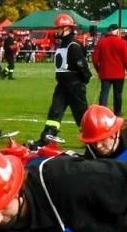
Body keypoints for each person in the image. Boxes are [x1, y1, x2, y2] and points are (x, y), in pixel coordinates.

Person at [39, 13, 91, 142]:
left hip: (74, 85)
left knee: (81, 114)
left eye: (58, 28)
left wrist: (84, 79)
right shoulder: (64, 44)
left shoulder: (73, 45)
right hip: (62, 85)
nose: (56, 31)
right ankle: (48, 137)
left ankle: (92, 139)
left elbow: (82, 66)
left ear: (67, 29)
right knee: (55, 112)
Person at [91, 23, 127, 115]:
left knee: (104, 93)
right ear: (117, 31)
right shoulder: (122, 42)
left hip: (105, 73)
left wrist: (98, 70)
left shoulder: (101, 42)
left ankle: (102, 112)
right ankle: (117, 112)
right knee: (118, 94)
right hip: (119, 74)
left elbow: (94, 59)